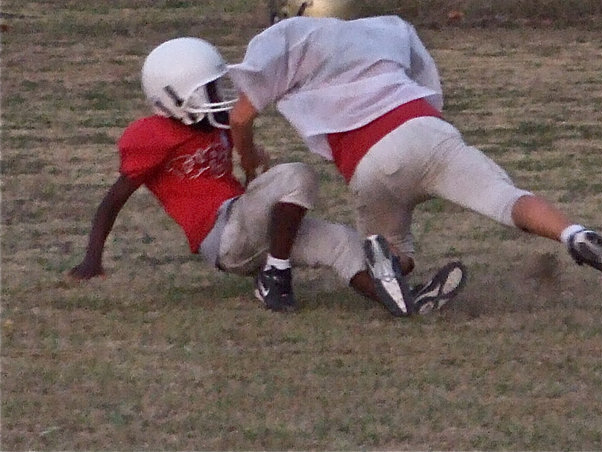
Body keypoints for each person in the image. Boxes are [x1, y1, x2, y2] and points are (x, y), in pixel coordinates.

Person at [225, 0, 602, 294]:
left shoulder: (292, 38)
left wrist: (249, 157)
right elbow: (426, 87)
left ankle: (392, 276)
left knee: (386, 252)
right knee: (507, 198)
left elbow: (241, 118)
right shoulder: (387, 28)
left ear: (301, 5)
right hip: (426, 131)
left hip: (370, 161)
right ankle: (575, 234)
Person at [68, 36, 467, 317]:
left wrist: (253, 162)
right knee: (296, 175)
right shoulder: (151, 136)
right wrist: (92, 259)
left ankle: (406, 300)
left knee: (344, 244)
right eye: (208, 89)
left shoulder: (218, 126)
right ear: (172, 98)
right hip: (223, 237)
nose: (218, 94)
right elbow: (113, 199)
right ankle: (275, 275)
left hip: (251, 226)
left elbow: (246, 162)